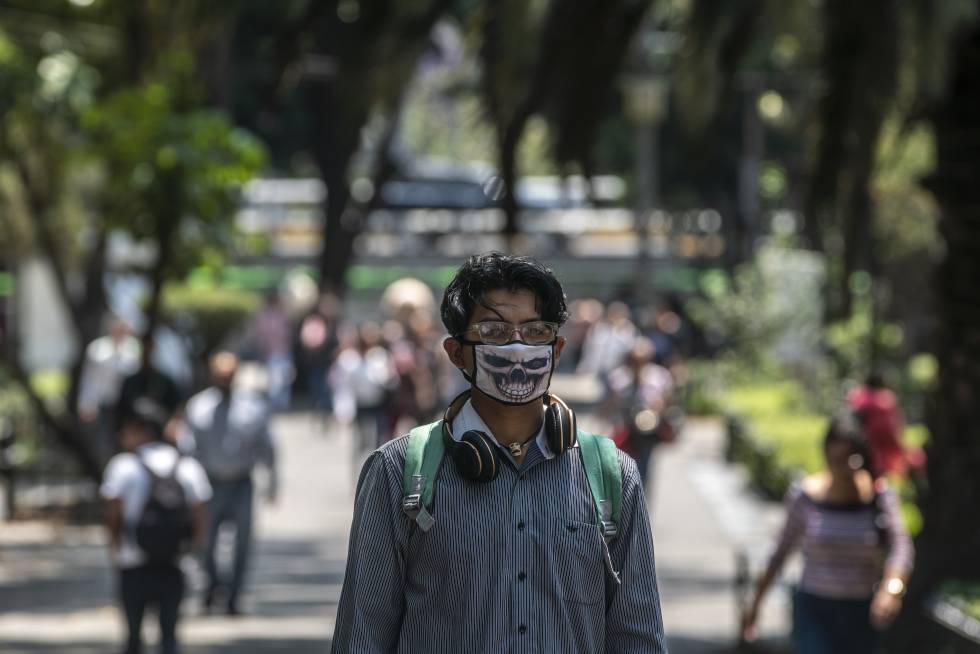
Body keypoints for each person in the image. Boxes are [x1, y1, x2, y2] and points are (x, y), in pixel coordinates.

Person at [331, 253, 667, 652]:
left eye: (535, 331)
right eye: (493, 331)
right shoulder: (397, 470)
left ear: (556, 349)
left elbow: (639, 639)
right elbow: (363, 635)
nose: (518, 347)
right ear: (457, 353)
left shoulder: (613, 476)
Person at [741, 413, 914, 653]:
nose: (840, 467)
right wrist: (755, 606)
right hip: (814, 608)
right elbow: (779, 553)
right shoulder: (805, 497)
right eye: (833, 459)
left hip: (861, 611)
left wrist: (891, 590)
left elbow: (901, 547)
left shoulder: (879, 496)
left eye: (846, 459)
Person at [100, 397, 212, 654]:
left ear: (144, 430)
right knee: (170, 637)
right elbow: (201, 513)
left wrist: (116, 550)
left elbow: (113, 514)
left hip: (133, 564)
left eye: (128, 429)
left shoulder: (122, 466)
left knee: (133, 638)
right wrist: (193, 550)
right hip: (174, 563)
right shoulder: (188, 466)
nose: (122, 435)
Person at [184, 351, 278, 616]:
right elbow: (188, 450)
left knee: (242, 544)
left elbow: (267, 447)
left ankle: (234, 595)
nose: (224, 381)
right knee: (204, 542)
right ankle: (212, 586)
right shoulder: (198, 407)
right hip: (209, 485)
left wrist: (272, 482)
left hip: (241, 484)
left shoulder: (253, 406)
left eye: (229, 376)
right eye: (219, 377)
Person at [603, 337, 677, 488]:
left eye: (643, 359)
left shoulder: (659, 376)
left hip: (647, 430)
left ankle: (639, 502)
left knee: (643, 468)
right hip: (623, 429)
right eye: (635, 360)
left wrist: (659, 407)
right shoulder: (619, 377)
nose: (639, 363)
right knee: (619, 467)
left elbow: (668, 401)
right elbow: (609, 404)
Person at [78, 318, 141, 463]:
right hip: (105, 402)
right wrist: (86, 402)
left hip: (127, 404)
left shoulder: (133, 348)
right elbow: (89, 379)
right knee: (106, 442)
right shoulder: (97, 348)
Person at [847, 373, 925, 479]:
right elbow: (895, 426)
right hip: (880, 445)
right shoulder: (886, 399)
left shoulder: (858, 397)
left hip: (865, 445)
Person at [117, 333, 184, 446]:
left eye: (150, 350)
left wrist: (173, 424)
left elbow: (178, 408)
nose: (147, 354)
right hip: (135, 439)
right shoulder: (130, 381)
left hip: (161, 438)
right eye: (144, 350)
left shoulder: (165, 380)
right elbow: (120, 412)